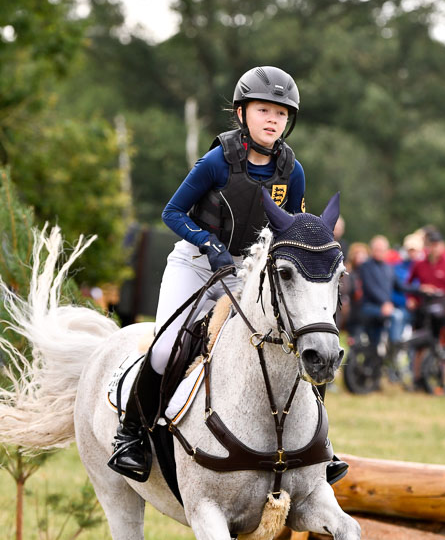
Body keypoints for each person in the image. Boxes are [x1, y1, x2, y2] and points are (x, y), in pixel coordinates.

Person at [108, 65, 346, 484]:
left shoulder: (293, 171)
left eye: (282, 114)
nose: (273, 120)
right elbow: (172, 212)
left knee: (300, 338)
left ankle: (318, 446)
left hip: (248, 270)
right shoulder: (216, 161)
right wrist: (209, 244)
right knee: (165, 349)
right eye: (264, 110)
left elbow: (288, 228)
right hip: (195, 262)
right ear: (242, 114)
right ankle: (131, 436)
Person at [407, 228, 445, 344]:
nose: (433, 249)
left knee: (442, 345)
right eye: (431, 245)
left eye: (436, 245)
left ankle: (441, 361)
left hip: (440, 310)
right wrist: (412, 298)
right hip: (423, 308)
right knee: (419, 344)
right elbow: (408, 284)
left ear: (442, 245)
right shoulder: (419, 264)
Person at [358, 235, 406, 345]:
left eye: (382, 250)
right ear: (372, 250)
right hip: (370, 307)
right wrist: (385, 303)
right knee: (396, 316)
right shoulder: (366, 266)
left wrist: (419, 289)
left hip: (385, 308)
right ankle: (395, 346)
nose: (380, 252)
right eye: (377, 249)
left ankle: (391, 348)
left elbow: (400, 286)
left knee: (402, 315)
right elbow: (370, 288)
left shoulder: (389, 267)